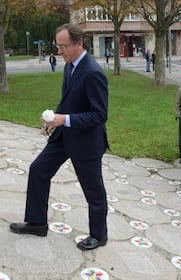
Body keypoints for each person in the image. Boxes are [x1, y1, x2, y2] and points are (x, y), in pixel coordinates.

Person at [9, 23, 109, 251]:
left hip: (86, 142)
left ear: (79, 44)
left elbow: (100, 115)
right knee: (38, 170)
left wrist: (64, 120)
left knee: (93, 191)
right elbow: (68, 102)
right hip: (64, 136)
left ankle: (99, 235)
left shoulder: (93, 72)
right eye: (58, 46)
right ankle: (36, 223)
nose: (60, 51)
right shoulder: (69, 66)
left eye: (64, 46)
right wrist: (52, 121)